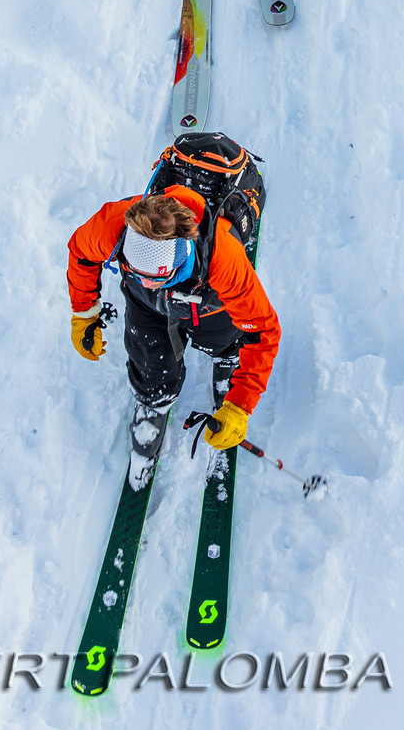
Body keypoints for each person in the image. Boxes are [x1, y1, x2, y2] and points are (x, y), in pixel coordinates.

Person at [67, 143, 280, 487]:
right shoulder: (115, 225)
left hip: (209, 304)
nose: (149, 282)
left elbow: (263, 330)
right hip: (145, 307)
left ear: (184, 251)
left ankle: (227, 365)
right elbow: (81, 252)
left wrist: (241, 404)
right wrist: (85, 311)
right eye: (136, 271)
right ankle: (153, 398)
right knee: (149, 355)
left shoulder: (223, 259)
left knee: (226, 340)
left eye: (157, 276)